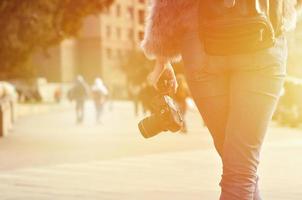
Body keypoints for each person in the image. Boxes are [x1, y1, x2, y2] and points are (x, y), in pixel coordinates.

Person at [141, 1, 301, 199]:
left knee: (239, 165)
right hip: (264, 32)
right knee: (241, 168)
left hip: (200, 41)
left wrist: (162, 58)